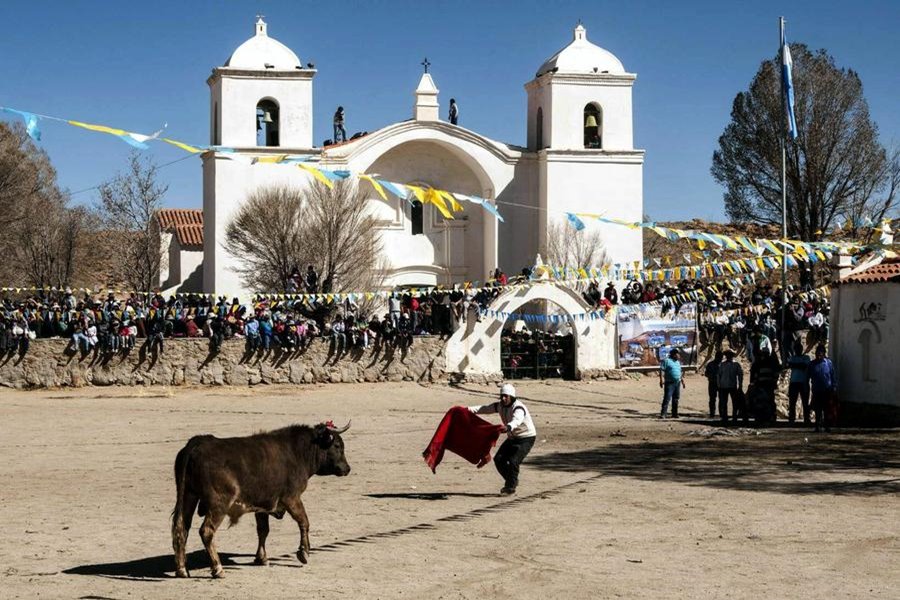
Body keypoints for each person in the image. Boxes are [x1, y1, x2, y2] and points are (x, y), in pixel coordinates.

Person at [468, 383, 536, 496]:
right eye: (502, 396)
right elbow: (484, 409)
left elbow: (517, 420)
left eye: (506, 396)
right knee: (499, 459)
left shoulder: (519, 407)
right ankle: (511, 481)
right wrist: (467, 410)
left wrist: (508, 427)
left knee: (514, 461)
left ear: (512, 396)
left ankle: (510, 487)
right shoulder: (499, 406)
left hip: (526, 438)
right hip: (513, 437)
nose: (503, 398)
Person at [808, 344, 837, 432]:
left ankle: (827, 426)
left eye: (821, 353)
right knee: (818, 409)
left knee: (827, 409)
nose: (819, 355)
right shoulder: (812, 364)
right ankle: (817, 426)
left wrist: (834, 386)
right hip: (817, 390)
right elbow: (808, 376)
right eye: (817, 353)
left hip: (827, 390)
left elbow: (832, 375)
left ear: (824, 354)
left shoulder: (828, 363)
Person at [717, 349, 744, 424]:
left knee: (735, 403)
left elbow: (740, 375)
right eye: (727, 355)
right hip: (723, 386)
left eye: (730, 355)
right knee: (724, 403)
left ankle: (734, 417)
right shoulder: (722, 364)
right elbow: (718, 375)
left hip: (733, 386)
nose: (728, 356)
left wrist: (740, 385)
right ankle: (724, 417)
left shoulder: (736, 364)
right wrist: (719, 385)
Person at [787, 340, 811, 424]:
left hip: (803, 382)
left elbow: (804, 366)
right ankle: (791, 418)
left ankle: (806, 418)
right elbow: (791, 365)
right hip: (794, 382)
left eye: (799, 349)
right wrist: (798, 365)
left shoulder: (806, 357)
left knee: (805, 402)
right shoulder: (794, 358)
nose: (797, 350)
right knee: (792, 402)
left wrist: (795, 365)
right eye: (796, 349)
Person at [658, 348, 686, 418]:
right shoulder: (666, 361)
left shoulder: (678, 362)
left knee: (676, 398)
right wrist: (661, 380)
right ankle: (663, 414)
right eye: (677, 354)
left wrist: (682, 381)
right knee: (667, 398)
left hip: (677, 383)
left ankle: (674, 413)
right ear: (674, 355)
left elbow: (680, 372)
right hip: (669, 383)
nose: (679, 356)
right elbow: (661, 370)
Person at [704, 351, 723, 418]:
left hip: (721, 384)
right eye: (720, 357)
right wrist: (711, 376)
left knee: (722, 399)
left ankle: (721, 413)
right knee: (712, 399)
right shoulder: (710, 364)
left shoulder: (723, 364)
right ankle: (712, 413)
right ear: (716, 357)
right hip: (712, 383)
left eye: (721, 357)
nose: (721, 358)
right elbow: (706, 374)